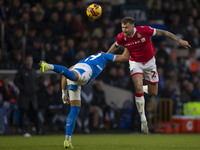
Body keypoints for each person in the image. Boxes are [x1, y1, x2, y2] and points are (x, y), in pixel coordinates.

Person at [106, 16, 191, 134]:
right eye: (122, 27)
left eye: (126, 27)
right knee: (138, 87)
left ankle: (143, 89)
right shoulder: (121, 37)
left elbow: (163, 32)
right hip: (135, 62)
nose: (124, 30)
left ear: (133, 27)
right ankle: (143, 119)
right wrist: (105, 56)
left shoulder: (144, 30)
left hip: (150, 63)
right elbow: (115, 46)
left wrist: (179, 41)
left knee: (154, 92)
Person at [39, 50, 130, 148]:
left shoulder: (88, 59)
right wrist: (129, 45)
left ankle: (67, 141)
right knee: (72, 76)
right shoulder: (105, 56)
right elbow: (124, 58)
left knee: (74, 110)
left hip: (77, 74)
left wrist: (63, 93)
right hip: (86, 72)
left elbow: (65, 75)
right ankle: (48, 66)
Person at [14, 55, 42, 135]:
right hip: (24, 96)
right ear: (25, 61)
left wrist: (35, 89)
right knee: (23, 113)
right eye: (28, 60)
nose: (30, 62)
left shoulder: (33, 71)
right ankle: (22, 129)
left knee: (35, 113)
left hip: (33, 96)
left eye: (31, 60)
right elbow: (16, 81)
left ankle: (38, 129)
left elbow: (35, 82)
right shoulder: (21, 71)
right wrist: (23, 88)